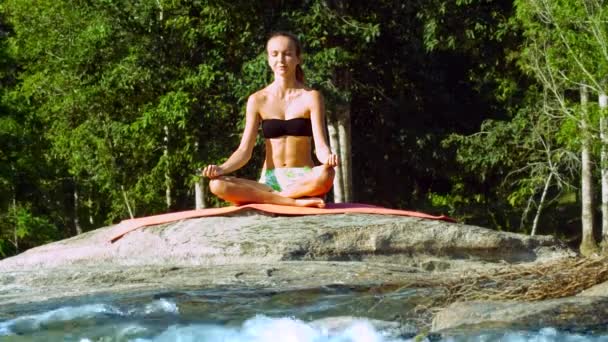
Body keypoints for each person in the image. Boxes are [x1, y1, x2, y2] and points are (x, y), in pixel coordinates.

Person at [202, 32, 339, 208]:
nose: (281, 60)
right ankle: (293, 202)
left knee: (326, 175)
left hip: (304, 179)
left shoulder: (311, 97)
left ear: (298, 58)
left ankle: (276, 199)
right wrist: (222, 169)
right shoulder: (257, 99)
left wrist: (328, 158)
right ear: (268, 59)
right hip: (269, 180)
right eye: (274, 54)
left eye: (287, 54)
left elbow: (320, 145)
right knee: (217, 184)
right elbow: (244, 151)